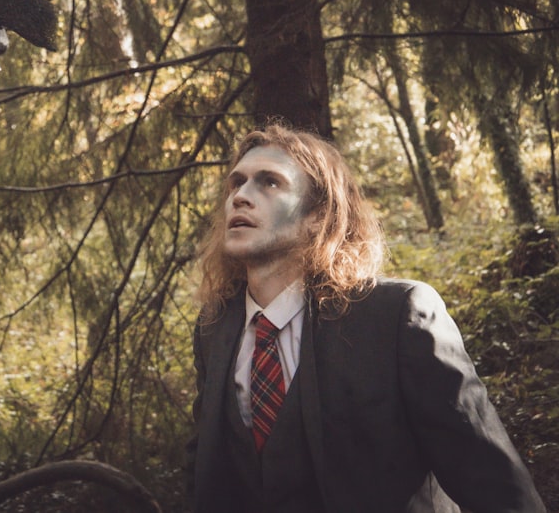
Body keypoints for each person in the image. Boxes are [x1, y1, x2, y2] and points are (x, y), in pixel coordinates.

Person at [185, 123, 546, 513]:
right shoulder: (214, 328)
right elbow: (208, 473)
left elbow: (492, 481)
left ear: (316, 217)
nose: (240, 196)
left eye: (269, 183)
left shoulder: (398, 316)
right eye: (236, 183)